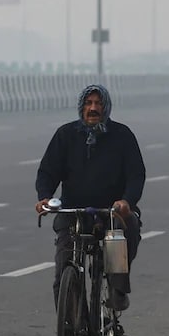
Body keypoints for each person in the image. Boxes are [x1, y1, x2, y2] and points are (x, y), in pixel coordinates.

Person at [35, 84, 145, 319]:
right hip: (73, 212)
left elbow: (136, 175)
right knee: (63, 271)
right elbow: (47, 172)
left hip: (111, 213)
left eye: (98, 103)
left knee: (128, 230)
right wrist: (44, 197)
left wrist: (126, 201)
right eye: (88, 103)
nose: (93, 108)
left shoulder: (122, 136)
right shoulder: (65, 135)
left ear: (106, 107)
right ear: (81, 107)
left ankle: (117, 288)